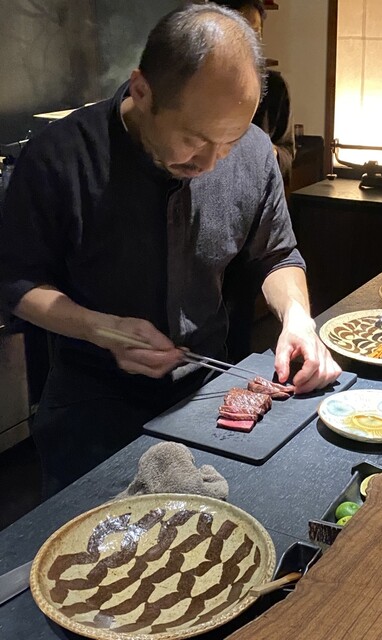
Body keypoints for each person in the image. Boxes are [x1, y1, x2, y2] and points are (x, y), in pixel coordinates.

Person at [0, 4, 340, 497]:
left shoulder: (251, 153)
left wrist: (297, 318)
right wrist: (100, 328)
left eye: (228, 141)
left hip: (210, 396)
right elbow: (17, 282)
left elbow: (276, 255)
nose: (211, 162)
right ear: (142, 91)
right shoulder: (60, 156)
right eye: (193, 139)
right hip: (93, 408)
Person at [212, 0, 295, 178]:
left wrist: (271, 153)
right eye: (240, 32)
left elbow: (287, 152)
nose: (250, 42)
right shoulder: (200, 83)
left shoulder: (275, 86)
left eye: (256, 32)